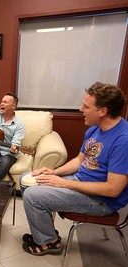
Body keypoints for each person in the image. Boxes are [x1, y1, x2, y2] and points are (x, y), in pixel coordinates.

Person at [20, 82, 128, 256]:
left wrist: (64, 183)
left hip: (102, 201)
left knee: (33, 196)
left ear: (102, 111)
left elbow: (113, 189)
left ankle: (49, 243)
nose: (80, 109)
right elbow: (79, 161)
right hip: (81, 182)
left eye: (86, 106)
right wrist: (53, 172)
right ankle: (46, 233)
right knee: (27, 178)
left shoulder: (123, 140)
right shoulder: (95, 130)